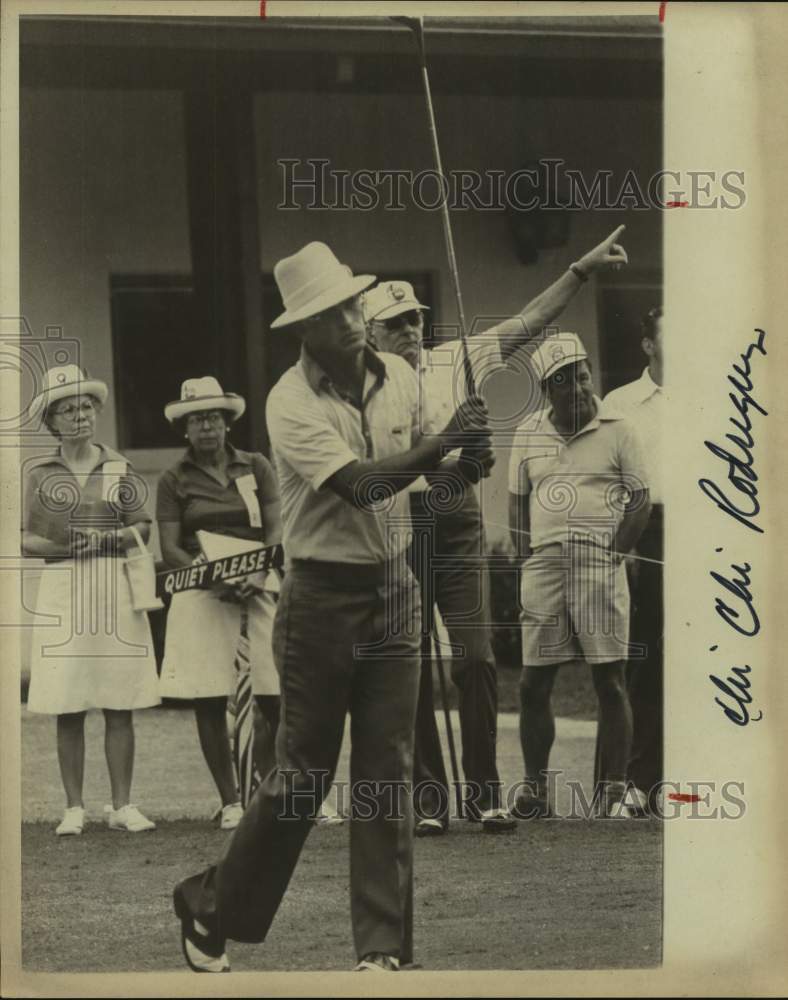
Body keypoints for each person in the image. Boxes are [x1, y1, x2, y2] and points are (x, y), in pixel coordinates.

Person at [172, 241, 493, 973]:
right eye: (331, 311)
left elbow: (422, 480)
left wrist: (465, 465)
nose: (350, 318)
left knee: (388, 770)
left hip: (395, 589)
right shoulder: (290, 402)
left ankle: (382, 954)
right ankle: (209, 906)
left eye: (352, 303)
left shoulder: (404, 377)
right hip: (319, 598)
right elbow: (365, 486)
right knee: (301, 780)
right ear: (303, 329)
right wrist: (446, 444)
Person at [363, 226, 630, 835]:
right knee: (408, 664)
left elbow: (533, 318)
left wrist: (581, 270)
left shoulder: (456, 357)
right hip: (394, 530)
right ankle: (429, 799)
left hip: (454, 525)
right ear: (371, 333)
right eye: (395, 323)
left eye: (414, 319)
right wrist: (454, 457)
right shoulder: (362, 389)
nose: (409, 331)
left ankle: (484, 792)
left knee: (475, 659)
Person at [507, 332, 651, 818]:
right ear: (548, 388)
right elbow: (516, 500)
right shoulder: (528, 432)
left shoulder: (619, 428)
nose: (578, 387)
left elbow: (640, 500)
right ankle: (534, 790)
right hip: (544, 562)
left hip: (599, 562)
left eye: (583, 375)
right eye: (565, 380)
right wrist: (525, 551)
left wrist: (615, 553)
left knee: (610, 680)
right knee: (532, 683)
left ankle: (612, 790)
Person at [22, 365, 160, 836]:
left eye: (86, 407)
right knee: (68, 699)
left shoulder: (119, 465)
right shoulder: (39, 473)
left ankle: (122, 805)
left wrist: (109, 538)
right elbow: (27, 540)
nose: (80, 416)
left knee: (119, 698)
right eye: (68, 409)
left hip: (113, 586)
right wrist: (68, 547)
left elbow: (143, 525)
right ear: (51, 422)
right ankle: (74, 808)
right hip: (63, 588)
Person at [157, 377, 282, 830]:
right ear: (185, 429)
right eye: (196, 419)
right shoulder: (174, 479)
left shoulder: (256, 466)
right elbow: (170, 546)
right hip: (203, 590)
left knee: (275, 692)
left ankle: (278, 791)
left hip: (260, 583)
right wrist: (215, 575)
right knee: (209, 695)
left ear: (227, 422)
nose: (206, 426)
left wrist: (258, 570)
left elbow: (275, 527)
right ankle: (231, 801)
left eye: (213, 417)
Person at [602, 306, 664, 813]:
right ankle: (637, 782)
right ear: (648, 346)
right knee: (644, 659)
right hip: (645, 529)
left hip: (711, 530)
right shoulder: (621, 404)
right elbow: (610, 483)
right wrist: (626, 545)